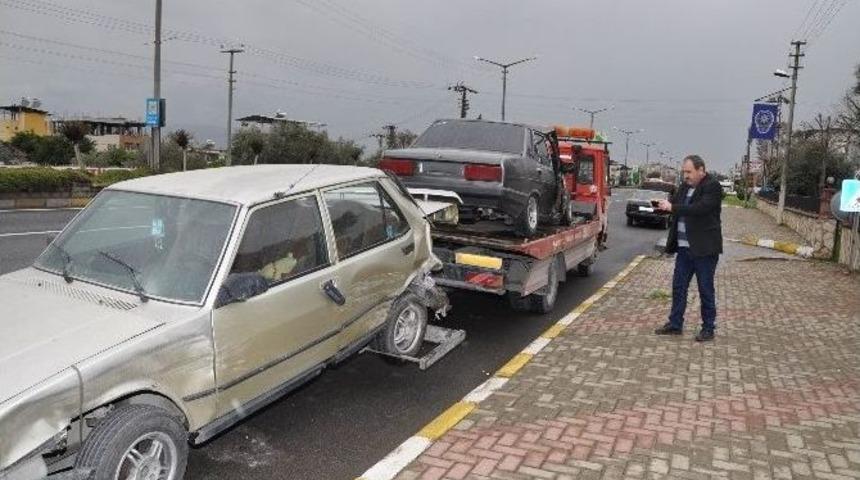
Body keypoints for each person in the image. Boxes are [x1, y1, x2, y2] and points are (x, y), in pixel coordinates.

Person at [654, 155, 722, 342]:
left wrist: (673, 207)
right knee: (678, 287)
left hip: (704, 250)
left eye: (689, 172)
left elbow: (700, 209)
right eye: (684, 172)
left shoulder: (712, 186)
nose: (686, 176)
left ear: (701, 170)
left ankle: (708, 328)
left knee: (705, 289)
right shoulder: (684, 187)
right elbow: (675, 206)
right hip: (684, 249)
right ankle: (675, 324)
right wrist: (661, 207)